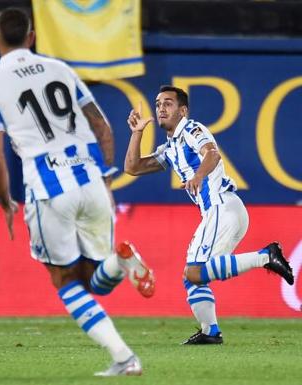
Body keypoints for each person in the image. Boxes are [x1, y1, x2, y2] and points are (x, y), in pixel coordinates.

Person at [0, 8, 154, 376]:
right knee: (96, 281)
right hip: (89, 177)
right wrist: (105, 178)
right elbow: (102, 128)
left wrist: (4, 202)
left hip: (47, 187)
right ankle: (121, 263)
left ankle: (124, 357)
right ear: (32, 37)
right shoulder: (61, 70)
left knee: (64, 280)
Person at [124, 85, 294, 344]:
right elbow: (133, 167)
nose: (161, 108)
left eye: (168, 103)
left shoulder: (192, 129)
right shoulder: (170, 147)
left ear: (183, 110)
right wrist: (137, 134)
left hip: (221, 207)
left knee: (194, 272)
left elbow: (211, 153)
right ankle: (210, 332)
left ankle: (265, 257)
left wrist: (198, 176)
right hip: (222, 213)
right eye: (158, 103)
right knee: (192, 277)